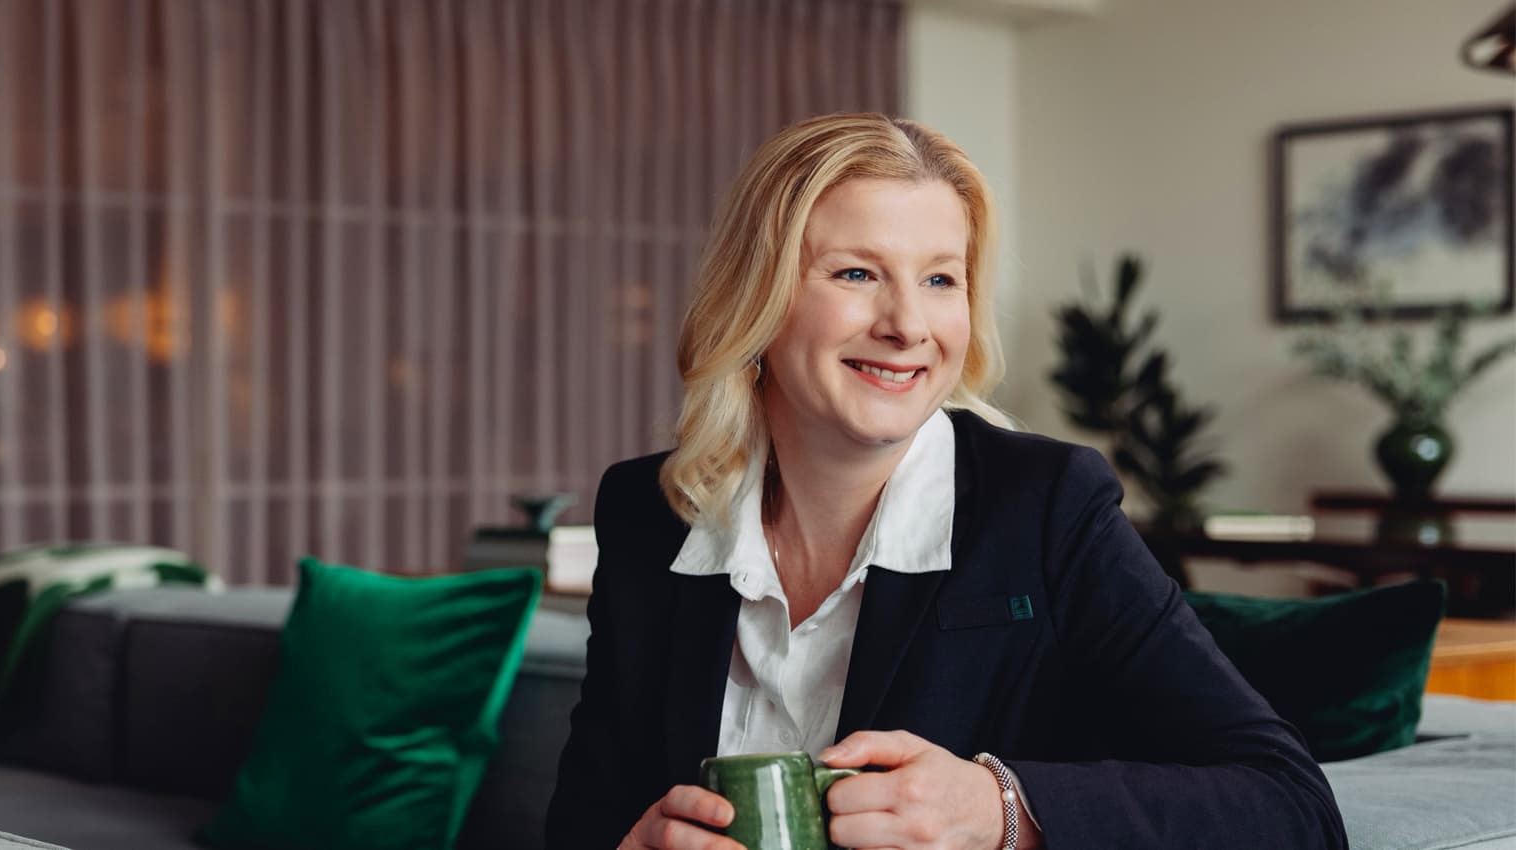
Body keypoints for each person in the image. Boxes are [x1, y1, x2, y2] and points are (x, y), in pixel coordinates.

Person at [545, 113, 1346, 850]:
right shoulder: (651, 514)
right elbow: (584, 817)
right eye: (857, 274)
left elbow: (1290, 806)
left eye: (940, 280)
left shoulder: (1047, 506)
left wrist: (998, 809)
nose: (908, 326)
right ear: (757, 299)